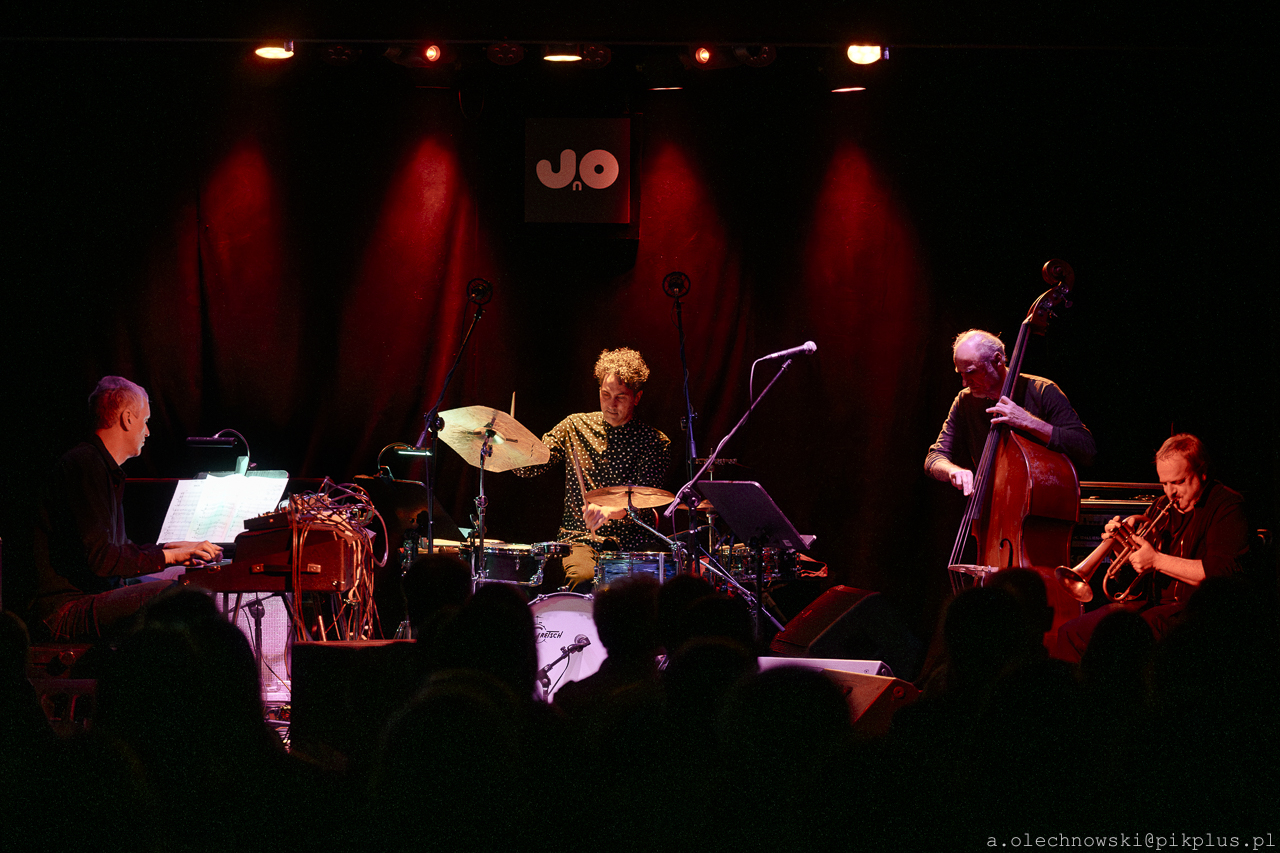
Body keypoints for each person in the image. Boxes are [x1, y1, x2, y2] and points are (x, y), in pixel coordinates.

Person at [29, 376, 222, 642]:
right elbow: (102, 559)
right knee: (178, 596)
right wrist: (170, 556)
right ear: (128, 418)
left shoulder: (100, 467)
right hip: (63, 609)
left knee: (182, 583)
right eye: (146, 421)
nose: (148, 432)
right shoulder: (83, 465)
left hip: (91, 595)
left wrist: (169, 549)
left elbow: (114, 550)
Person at [1054, 433, 1250, 662]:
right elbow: (1132, 583)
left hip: (1197, 612)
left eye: (1178, 482)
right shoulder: (1160, 507)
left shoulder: (1227, 506)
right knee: (1071, 632)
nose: (1170, 492)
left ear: (1202, 472)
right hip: (1151, 606)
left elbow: (1222, 573)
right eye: (1164, 483)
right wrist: (1120, 549)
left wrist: (1156, 560)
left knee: (1123, 640)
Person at [515, 348, 671, 588]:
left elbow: (642, 501)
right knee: (583, 578)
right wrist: (510, 450)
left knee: (647, 583)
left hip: (633, 541)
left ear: (637, 397)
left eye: (620, 397)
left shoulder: (654, 442)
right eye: (605, 394)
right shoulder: (574, 426)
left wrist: (607, 511)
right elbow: (534, 465)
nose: (611, 404)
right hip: (580, 538)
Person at [925, 329, 1096, 495]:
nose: (964, 383)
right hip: (991, 504)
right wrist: (952, 471)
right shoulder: (965, 401)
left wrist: (1029, 422)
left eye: (971, 372)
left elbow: (1086, 450)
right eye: (961, 373)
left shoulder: (1043, 391)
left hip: (1039, 501)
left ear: (997, 360)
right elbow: (935, 458)